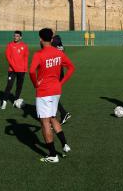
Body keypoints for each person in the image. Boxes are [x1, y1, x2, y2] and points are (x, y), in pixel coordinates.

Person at [29, 28, 75, 163]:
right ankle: (65, 145)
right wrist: (61, 82)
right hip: (56, 90)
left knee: (44, 122)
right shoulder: (58, 53)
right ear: (52, 38)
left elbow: (31, 71)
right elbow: (71, 67)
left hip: (44, 91)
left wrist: (35, 84)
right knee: (53, 117)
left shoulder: (39, 54)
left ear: (40, 39)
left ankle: (53, 155)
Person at [1, 31, 29, 109]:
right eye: (14, 36)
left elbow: (26, 57)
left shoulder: (24, 46)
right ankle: (4, 101)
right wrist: (14, 67)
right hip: (12, 70)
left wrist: (25, 68)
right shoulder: (10, 45)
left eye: (17, 36)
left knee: (19, 86)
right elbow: (8, 57)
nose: (15, 37)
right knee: (9, 85)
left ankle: (16, 100)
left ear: (20, 37)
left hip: (21, 70)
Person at [52, 34, 71, 124]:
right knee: (52, 96)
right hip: (59, 74)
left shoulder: (54, 47)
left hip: (55, 74)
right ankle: (60, 114)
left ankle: (63, 113)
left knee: (52, 96)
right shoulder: (61, 47)